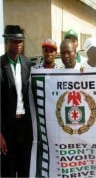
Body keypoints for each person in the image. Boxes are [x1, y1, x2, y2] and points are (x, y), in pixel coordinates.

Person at [1, 25, 33, 177]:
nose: (19, 44)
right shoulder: (1, 65)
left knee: (24, 168)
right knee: (8, 169)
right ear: (7, 42)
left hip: (24, 126)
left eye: (21, 41)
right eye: (15, 41)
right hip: (7, 128)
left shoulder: (27, 63)